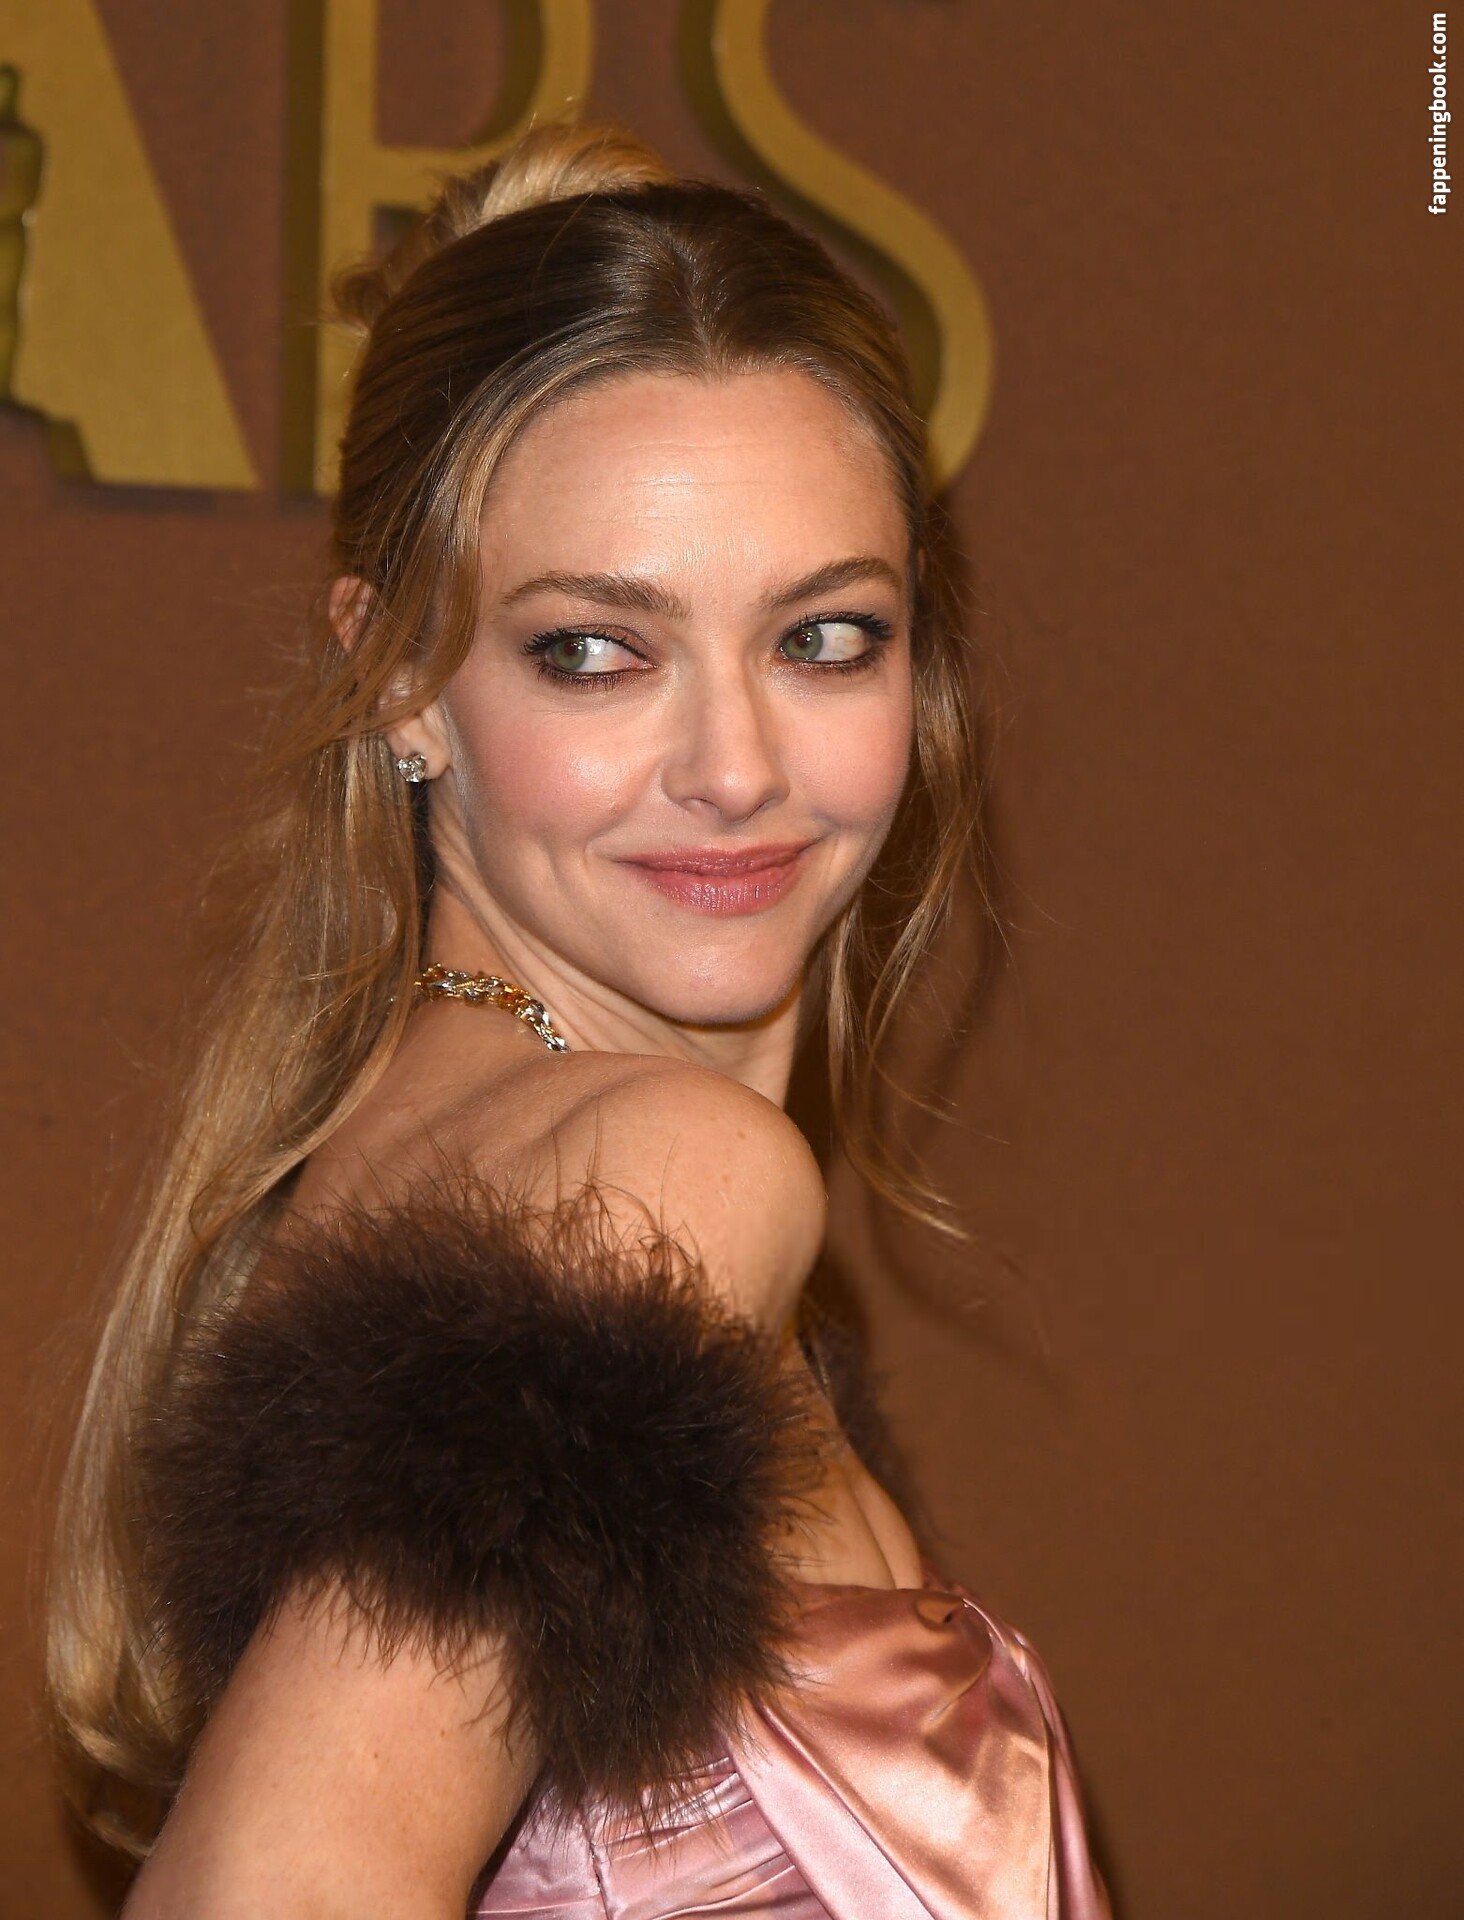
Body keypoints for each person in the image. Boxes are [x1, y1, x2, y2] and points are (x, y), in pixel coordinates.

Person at [45, 122, 1110, 1918]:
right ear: (398, 676)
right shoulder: (659, 1176)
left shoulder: (441, 1141)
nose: (736, 767)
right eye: (597, 651)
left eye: (825, 637)